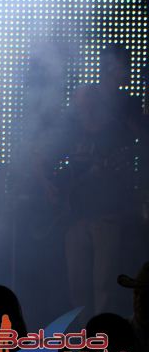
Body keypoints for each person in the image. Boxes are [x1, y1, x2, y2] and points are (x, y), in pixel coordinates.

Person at [45, 44, 146, 317]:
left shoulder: (129, 106)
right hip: (77, 210)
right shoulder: (84, 104)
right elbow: (58, 149)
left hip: (109, 210)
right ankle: (83, 344)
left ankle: (100, 343)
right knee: (78, 285)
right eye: (124, 66)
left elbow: (142, 145)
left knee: (104, 284)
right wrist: (54, 183)